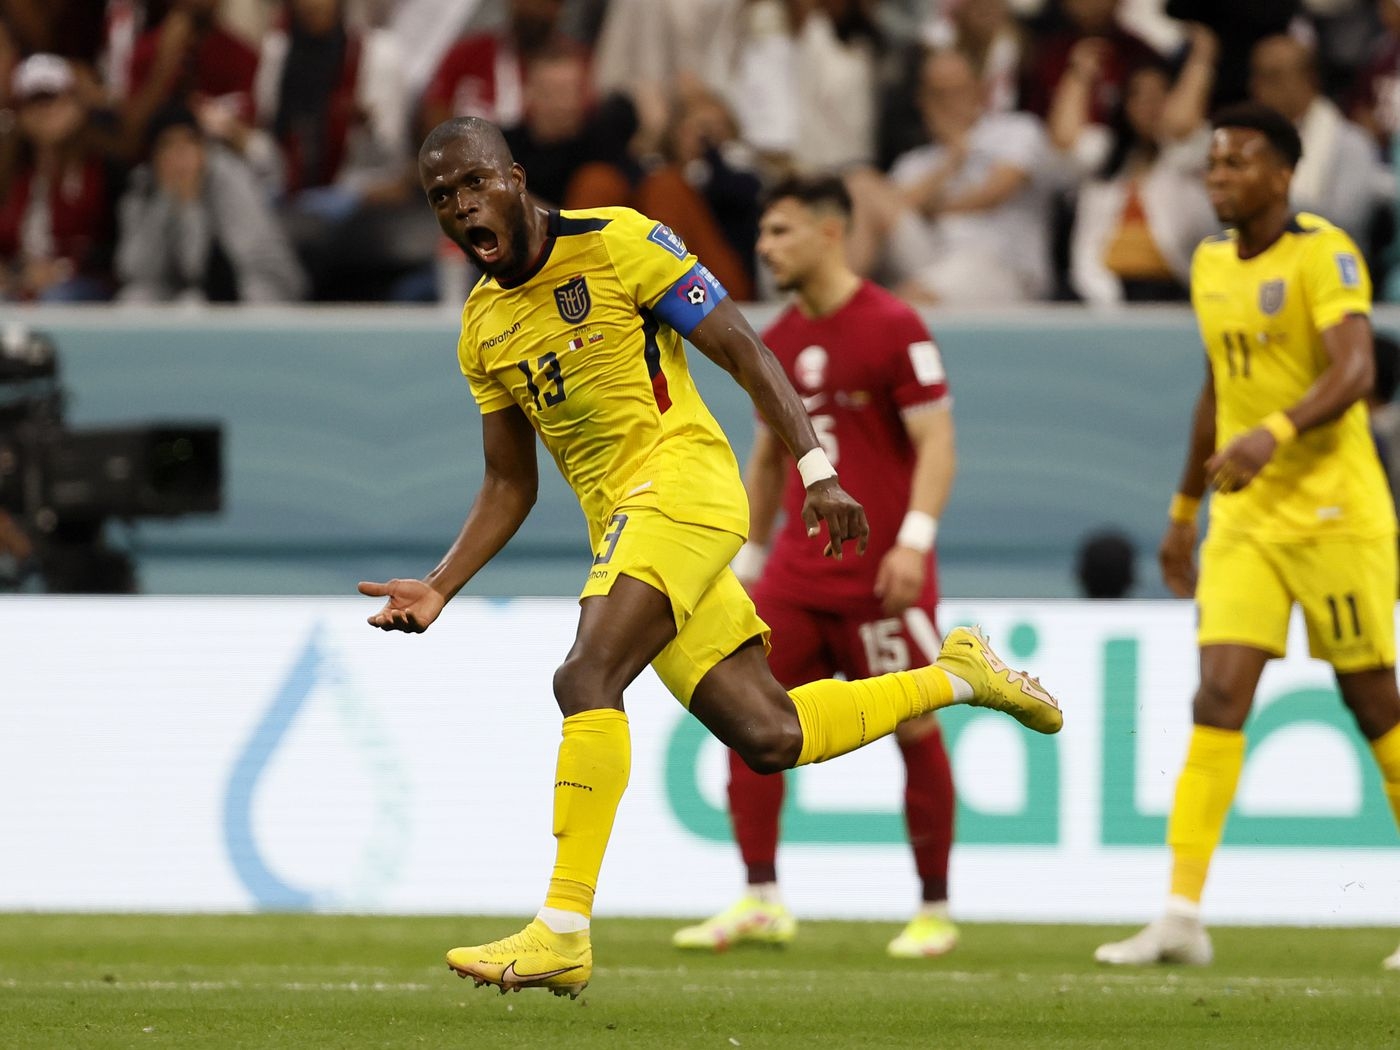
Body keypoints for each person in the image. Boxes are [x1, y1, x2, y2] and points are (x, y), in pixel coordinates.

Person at [359, 116, 1064, 998]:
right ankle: (960, 676)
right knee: (771, 735)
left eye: (473, 185)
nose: (463, 209)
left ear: (514, 176)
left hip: (684, 487)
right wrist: (438, 585)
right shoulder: (481, 327)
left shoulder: (618, 241)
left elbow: (743, 347)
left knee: (585, 678)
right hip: (627, 524)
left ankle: (563, 928)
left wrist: (817, 469)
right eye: (442, 199)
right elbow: (511, 485)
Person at [1094, 103, 1400, 971]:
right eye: (1214, 162)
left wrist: (1273, 431)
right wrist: (1184, 510)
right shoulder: (1209, 263)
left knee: (1374, 702)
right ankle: (1181, 916)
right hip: (1247, 520)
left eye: (1238, 162)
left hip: (1337, 513)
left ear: (1283, 174)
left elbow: (1357, 370)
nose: (1219, 175)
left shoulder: (1324, 253)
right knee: (1217, 699)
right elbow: (1214, 387)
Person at [669, 175, 960, 958]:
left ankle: (933, 909)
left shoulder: (896, 326)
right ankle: (760, 897)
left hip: (881, 578)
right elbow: (768, 458)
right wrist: (755, 558)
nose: (764, 249)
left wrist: (914, 541)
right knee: (745, 715)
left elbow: (937, 443)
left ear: (832, 233)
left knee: (916, 728)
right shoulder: (780, 339)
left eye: (781, 232)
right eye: (762, 234)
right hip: (797, 579)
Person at [115, 105, 305, 303]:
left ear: (202, 148)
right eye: (168, 145)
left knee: (201, 302)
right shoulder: (143, 187)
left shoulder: (228, 177)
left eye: (189, 142)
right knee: (135, 299)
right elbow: (133, 269)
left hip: (257, 280)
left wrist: (190, 206)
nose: (180, 155)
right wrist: (165, 201)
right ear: (154, 156)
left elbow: (206, 267)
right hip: (185, 290)